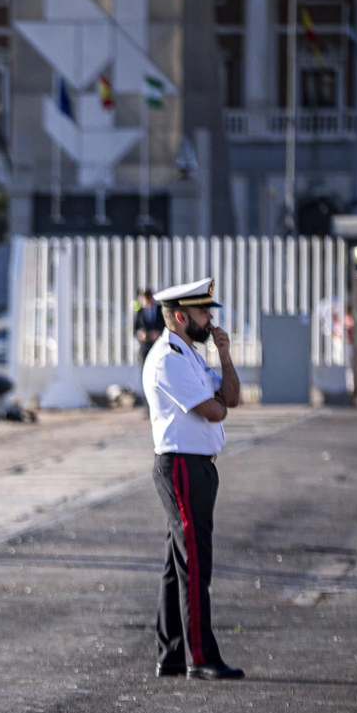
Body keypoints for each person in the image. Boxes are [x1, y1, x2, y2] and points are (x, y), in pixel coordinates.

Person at [142, 277, 244, 681]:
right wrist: (218, 403)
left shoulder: (193, 355)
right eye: (204, 313)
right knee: (195, 562)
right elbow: (214, 411)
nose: (210, 320)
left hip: (197, 465)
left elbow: (231, 398)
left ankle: (170, 653)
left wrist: (224, 354)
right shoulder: (168, 358)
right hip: (181, 465)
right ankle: (200, 657)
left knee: (177, 562)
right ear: (182, 316)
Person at [133, 287, 165, 366]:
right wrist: (140, 334)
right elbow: (135, 329)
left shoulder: (160, 310)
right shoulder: (140, 312)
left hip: (158, 344)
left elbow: (166, 325)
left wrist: (159, 333)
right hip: (145, 346)